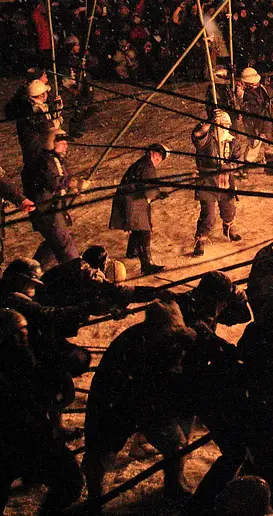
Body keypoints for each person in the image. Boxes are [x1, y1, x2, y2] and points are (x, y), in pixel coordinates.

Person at [82, 301, 199, 509]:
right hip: (115, 404)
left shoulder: (169, 342)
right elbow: (136, 386)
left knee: (175, 443)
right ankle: (95, 498)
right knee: (100, 453)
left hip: (148, 404)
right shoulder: (132, 346)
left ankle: (175, 486)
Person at [0, 309, 83, 516]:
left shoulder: (25, 358)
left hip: (31, 437)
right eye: (17, 335)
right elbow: (16, 404)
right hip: (11, 442)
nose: (23, 339)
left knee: (70, 481)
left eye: (25, 334)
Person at [109, 142, 171, 275]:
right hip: (133, 201)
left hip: (129, 199)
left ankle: (132, 251)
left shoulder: (143, 163)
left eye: (160, 157)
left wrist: (157, 193)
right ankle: (146, 265)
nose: (158, 159)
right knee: (143, 230)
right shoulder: (147, 165)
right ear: (150, 152)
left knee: (137, 227)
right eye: (157, 155)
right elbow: (149, 188)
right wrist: (158, 194)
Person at [23, 130, 81, 269]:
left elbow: (60, 183)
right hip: (47, 210)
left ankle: (30, 272)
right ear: (50, 143)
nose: (65, 146)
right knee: (65, 245)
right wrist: (73, 183)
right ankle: (77, 275)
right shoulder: (44, 161)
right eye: (62, 143)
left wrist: (72, 190)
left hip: (53, 208)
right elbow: (53, 182)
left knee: (52, 244)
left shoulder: (55, 160)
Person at [191, 109, 242, 258]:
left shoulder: (233, 142)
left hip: (225, 181)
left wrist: (229, 166)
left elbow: (237, 160)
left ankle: (228, 228)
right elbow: (197, 134)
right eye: (219, 125)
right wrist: (209, 121)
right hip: (207, 182)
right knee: (208, 216)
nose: (222, 128)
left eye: (225, 125)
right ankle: (200, 239)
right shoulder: (207, 140)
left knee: (229, 209)